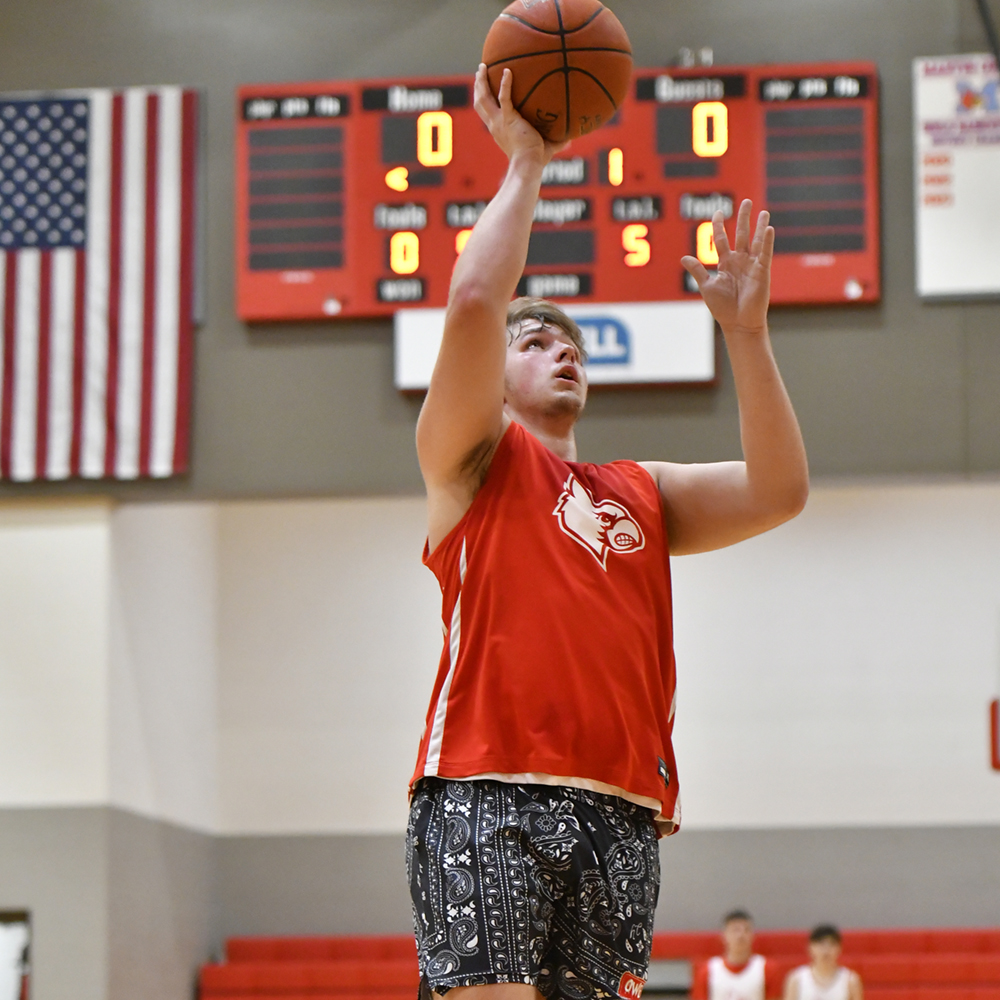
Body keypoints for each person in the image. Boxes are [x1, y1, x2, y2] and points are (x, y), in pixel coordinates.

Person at [405, 62, 809, 1000]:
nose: (561, 352)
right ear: (494, 376)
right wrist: (526, 164)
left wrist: (746, 339)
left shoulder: (640, 490)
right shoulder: (472, 461)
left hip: (622, 810)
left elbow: (781, 490)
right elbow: (473, 303)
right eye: (535, 341)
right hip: (485, 788)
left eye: (572, 346)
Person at [691, 910, 783, 1000]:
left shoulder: (767, 969)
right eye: (736, 930)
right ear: (724, 935)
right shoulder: (707, 971)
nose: (741, 935)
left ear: (753, 935)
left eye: (746, 930)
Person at [783, 926, 863, 1000]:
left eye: (831, 944)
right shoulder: (796, 979)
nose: (826, 950)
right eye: (820, 944)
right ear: (810, 947)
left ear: (839, 948)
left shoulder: (850, 980)